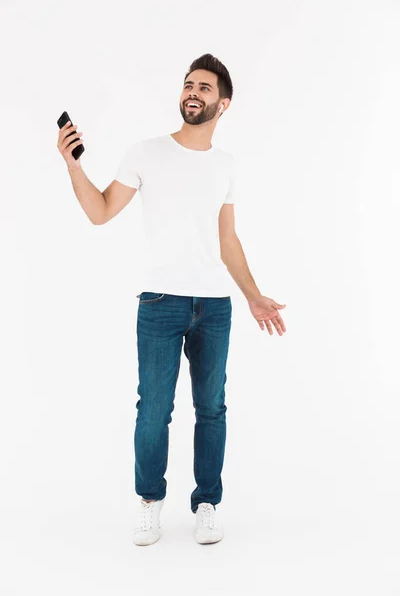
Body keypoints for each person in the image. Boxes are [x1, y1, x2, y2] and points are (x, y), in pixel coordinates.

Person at [57, 53, 287, 547]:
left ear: (222, 104)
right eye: (188, 84)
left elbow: (228, 240)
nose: (192, 92)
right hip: (160, 301)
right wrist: (71, 164)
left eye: (204, 88)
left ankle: (207, 503)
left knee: (212, 409)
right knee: (154, 409)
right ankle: (149, 502)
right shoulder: (146, 153)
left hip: (215, 306)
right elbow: (100, 212)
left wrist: (253, 296)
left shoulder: (227, 165)